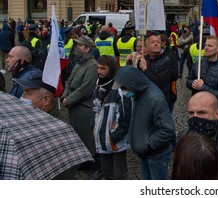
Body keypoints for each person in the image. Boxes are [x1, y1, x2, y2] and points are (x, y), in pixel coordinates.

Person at [113, 66, 176, 180]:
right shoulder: (138, 93)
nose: (123, 90)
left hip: (156, 155)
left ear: (133, 83)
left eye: (124, 87)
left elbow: (167, 129)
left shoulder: (155, 98)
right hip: (146, 153)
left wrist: (147, 144)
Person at [14, 70, 79, 179]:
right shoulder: (34, 119)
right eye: (23, 92)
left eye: (28, 92)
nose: (22, 97)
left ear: (46, 99)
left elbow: (65, 171)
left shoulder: (59, 129)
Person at [61, 35, 98, 173]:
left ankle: (89, 161)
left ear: (87, 49)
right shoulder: (80, 63)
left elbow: (85, 89)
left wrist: (68, 100)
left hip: (83, 107)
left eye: (79, 45)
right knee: (76, 133)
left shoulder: (92, 65)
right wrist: (65, 95)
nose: (76, 48)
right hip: (73, 105)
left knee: (85, 135)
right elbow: (69, 81)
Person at [93, 56, 131, 180]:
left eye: (103, 68)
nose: (99, 71)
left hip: (115, 141)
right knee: (107, 173)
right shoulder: (98, 85)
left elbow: (124, 117)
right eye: (98, 68)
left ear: (111, 68)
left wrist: (113, 137)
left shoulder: (119, 89)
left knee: (120, 174)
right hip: (102, 138)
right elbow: (96, 109)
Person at [186, 35, 218, 104]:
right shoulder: (198, 64)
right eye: (205, 45)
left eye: (210, 46)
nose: (206, 48)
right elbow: (188, 81)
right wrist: (192, 84)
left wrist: (202, 87)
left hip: (211, 109)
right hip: (196, 105)